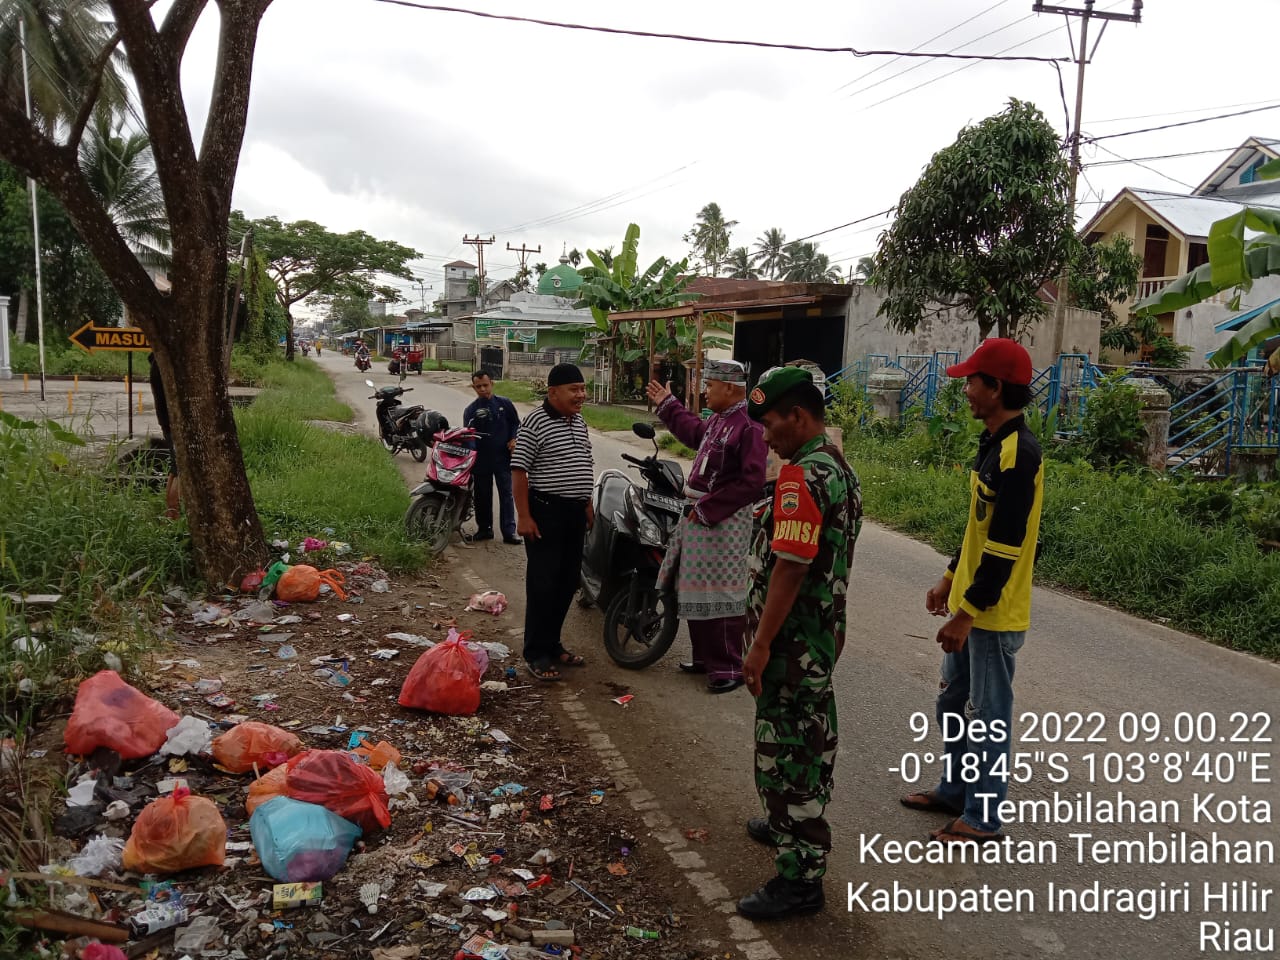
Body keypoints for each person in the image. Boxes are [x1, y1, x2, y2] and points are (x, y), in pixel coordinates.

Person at [902, 338, 1043, 844]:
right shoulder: (993, 444)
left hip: (991, 614)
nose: (965, 389)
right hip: (970, 602)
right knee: (953, 702)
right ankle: (955, 790)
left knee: (988, 716)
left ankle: (983, 816)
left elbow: (1005, 544)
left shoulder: (1018, 454)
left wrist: (968, 613)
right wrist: (949, 577)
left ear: (996, 387)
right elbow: (978, 528)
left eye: (972, 380)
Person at [737, 366, 861, 921]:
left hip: (790, 645)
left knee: (784, 758)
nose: (765, 435)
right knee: (810, 740)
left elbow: (790, 565)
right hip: (818, 637)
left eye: (771, 423)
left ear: (799, 416)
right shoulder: (836, 466)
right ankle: (790, 825)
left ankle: (800, 879)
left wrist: (760, 646)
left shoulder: (799, 478)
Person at [645, 360, 766, 693]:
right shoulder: (719, 420)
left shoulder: (749, 426)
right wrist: (669, 406)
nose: (705, 391)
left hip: (723, 520)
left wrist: (710, 508)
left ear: (730, 388)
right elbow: (695, 433)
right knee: (695, 588)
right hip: (698, 515)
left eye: (709, 385)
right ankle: (704, 658)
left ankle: (727, 666)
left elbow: (752, 481)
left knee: (722, 594)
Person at [511, 363, 595, 681]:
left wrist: (586, 502)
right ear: (553, 392)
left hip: (574, 513)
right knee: (543, 584)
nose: (581, 395)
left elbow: (584, 460)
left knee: (567, 582)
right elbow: (519, 470)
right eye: (574, 390)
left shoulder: (579, 420)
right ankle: (536, 653)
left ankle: (554, 643)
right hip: (545, 513)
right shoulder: (534, 422)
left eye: (583, 389)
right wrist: (523, 516)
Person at [463, 371, 522, 545]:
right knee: (482, 495)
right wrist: (471, 456)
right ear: (474, 387)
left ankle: (509, 532)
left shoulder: (504, 404)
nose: (483, 389)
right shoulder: (470, 411)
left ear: (492, 384)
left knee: (506, 494)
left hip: (502, 458)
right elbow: (469, 435)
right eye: (478, 386)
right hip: (481, 460)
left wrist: (513, 438)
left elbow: (515, 423)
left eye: (485, 385)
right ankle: (484, 529)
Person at [147, 352, 181, 521]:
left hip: (168, 421)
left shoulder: (156, 362)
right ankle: (174, 513)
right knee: (182, 470)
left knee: (175, 469)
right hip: (174, 421)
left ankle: (171, 512)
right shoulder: (163, 364)